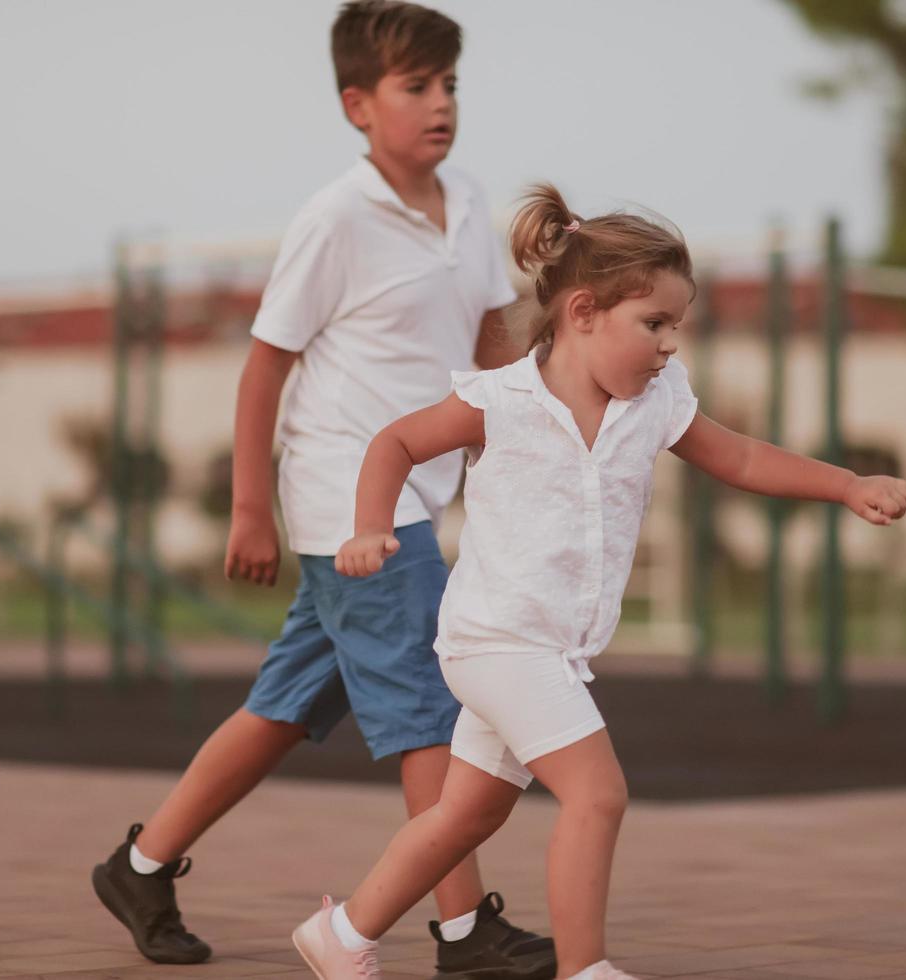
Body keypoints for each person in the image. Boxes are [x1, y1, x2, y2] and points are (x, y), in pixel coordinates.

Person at [292, 185, 906, 980]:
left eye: (675, 329)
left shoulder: (657, 406)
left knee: (465, 814)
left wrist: (845, 484)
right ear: (582, 313)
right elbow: (395, 442)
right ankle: (585, 971)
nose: (668, 347)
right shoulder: (502, 400)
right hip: (496, 640)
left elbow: (747, 459)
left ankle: (342, 934)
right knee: (597, 794)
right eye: (653, 324)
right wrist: (369, 525)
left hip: (546, 648)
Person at [90, 4, 554, 976]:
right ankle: (463, 929)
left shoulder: (468, 203)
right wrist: (250, 505)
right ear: (357, 103)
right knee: (431, 701)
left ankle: (140, 863)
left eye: (451, 85)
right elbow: (264, 366)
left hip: (417, 491)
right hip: (349, 497)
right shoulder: (334, 217)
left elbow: (483, 343)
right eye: (415, 86)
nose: (440, 104)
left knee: (286, 702)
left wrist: (523, 404)